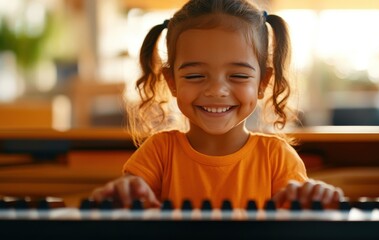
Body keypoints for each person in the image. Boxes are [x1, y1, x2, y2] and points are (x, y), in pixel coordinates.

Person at [91, 0, 344, 210]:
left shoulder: (276, 158)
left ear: (262, 83)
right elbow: (130, 207)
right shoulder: (158, 152)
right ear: (172, 82)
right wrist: (123, 194)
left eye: (238, 76)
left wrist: (313, 198)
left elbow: (299, 218)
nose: (216, 90)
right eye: (194, 76)